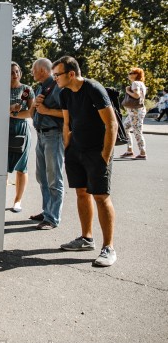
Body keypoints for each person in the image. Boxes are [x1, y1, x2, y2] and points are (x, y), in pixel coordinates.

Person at [54, 56, 118, 267]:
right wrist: (67, 148)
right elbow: (66, 124)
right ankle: (86, 238)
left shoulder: (94, 89)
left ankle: (108, 248)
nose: (55, 79)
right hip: (76, 151)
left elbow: (111, 124)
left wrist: (105, 157)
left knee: (101, 197)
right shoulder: (64, 94)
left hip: (96, 152)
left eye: (58, 75)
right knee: (81, 193)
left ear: (71, 74)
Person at [29, 58, 64, 230]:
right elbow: (32, 113)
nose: (32, 72)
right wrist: (34, 106)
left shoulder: (57, 87)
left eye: (33, 69)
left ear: (42, 70)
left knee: (53, 178)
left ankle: (52, 218)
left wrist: (46, 111)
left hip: (53, 135)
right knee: (42, 177)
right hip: (41, 135)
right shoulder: (40, 87)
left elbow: (68, 113)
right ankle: (46, 211)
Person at [8, 62, 34, 213]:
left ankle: (17, 201)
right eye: (12, 72)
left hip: (21, 128)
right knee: (1, 165)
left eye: (17, 71)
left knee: (21, 166)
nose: (15, 74)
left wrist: (12, 113)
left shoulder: (27, 90)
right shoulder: (1, 90)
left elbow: (31, 112)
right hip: (2, 129)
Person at [120, 67, 147, 160]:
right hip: (135, 111)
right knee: (124, 128)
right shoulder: (141, 84)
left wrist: (127, 91)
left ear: (136, 74)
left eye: (131, 73)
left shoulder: (135, 83)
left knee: (137, 131)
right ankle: (129, 150)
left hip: (136, 112)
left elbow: (137, 95)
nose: (129, 74)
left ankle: (142, 153)